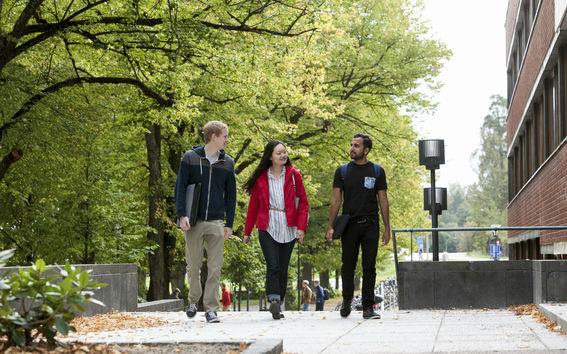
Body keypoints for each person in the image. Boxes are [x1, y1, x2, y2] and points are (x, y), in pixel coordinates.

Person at [175, 121, 236, 323]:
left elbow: (231, 196)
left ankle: (211, 309)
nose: (227, 139)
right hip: (193, 221)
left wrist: (229, 223)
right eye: (225, 136)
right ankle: (193, 300)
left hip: (217, 221)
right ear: (213, 136)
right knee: (193, 267)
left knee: (215, 267)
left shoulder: (228, 162)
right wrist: (182, 214)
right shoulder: (190, 158)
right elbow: (181, 188)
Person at [325, 133, 390, 320]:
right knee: (348, 266)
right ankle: (346, 301)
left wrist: (387, 228)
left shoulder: (377, 171)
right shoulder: (342, 171)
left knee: (369, 266)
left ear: (366, 150)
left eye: (357, 146)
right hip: (349, 225)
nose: (352, 148)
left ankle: (368, 307)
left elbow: (383, 199)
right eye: (351, 144)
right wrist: (330, 226)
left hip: (371, 224)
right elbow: (336, 200)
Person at [243, 140, 309, 320]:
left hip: (289, 227)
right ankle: (273, 298)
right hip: (267, 226)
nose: (283, 155)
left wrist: (301, 228)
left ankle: (278, 303)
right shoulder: (261, 178)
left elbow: (303, 203)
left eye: (284, 152)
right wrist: (247, 231)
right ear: (270, 156)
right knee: (273, 265)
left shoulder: (294, 175)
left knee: (283, 267)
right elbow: (253, 207)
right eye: (278, 152)